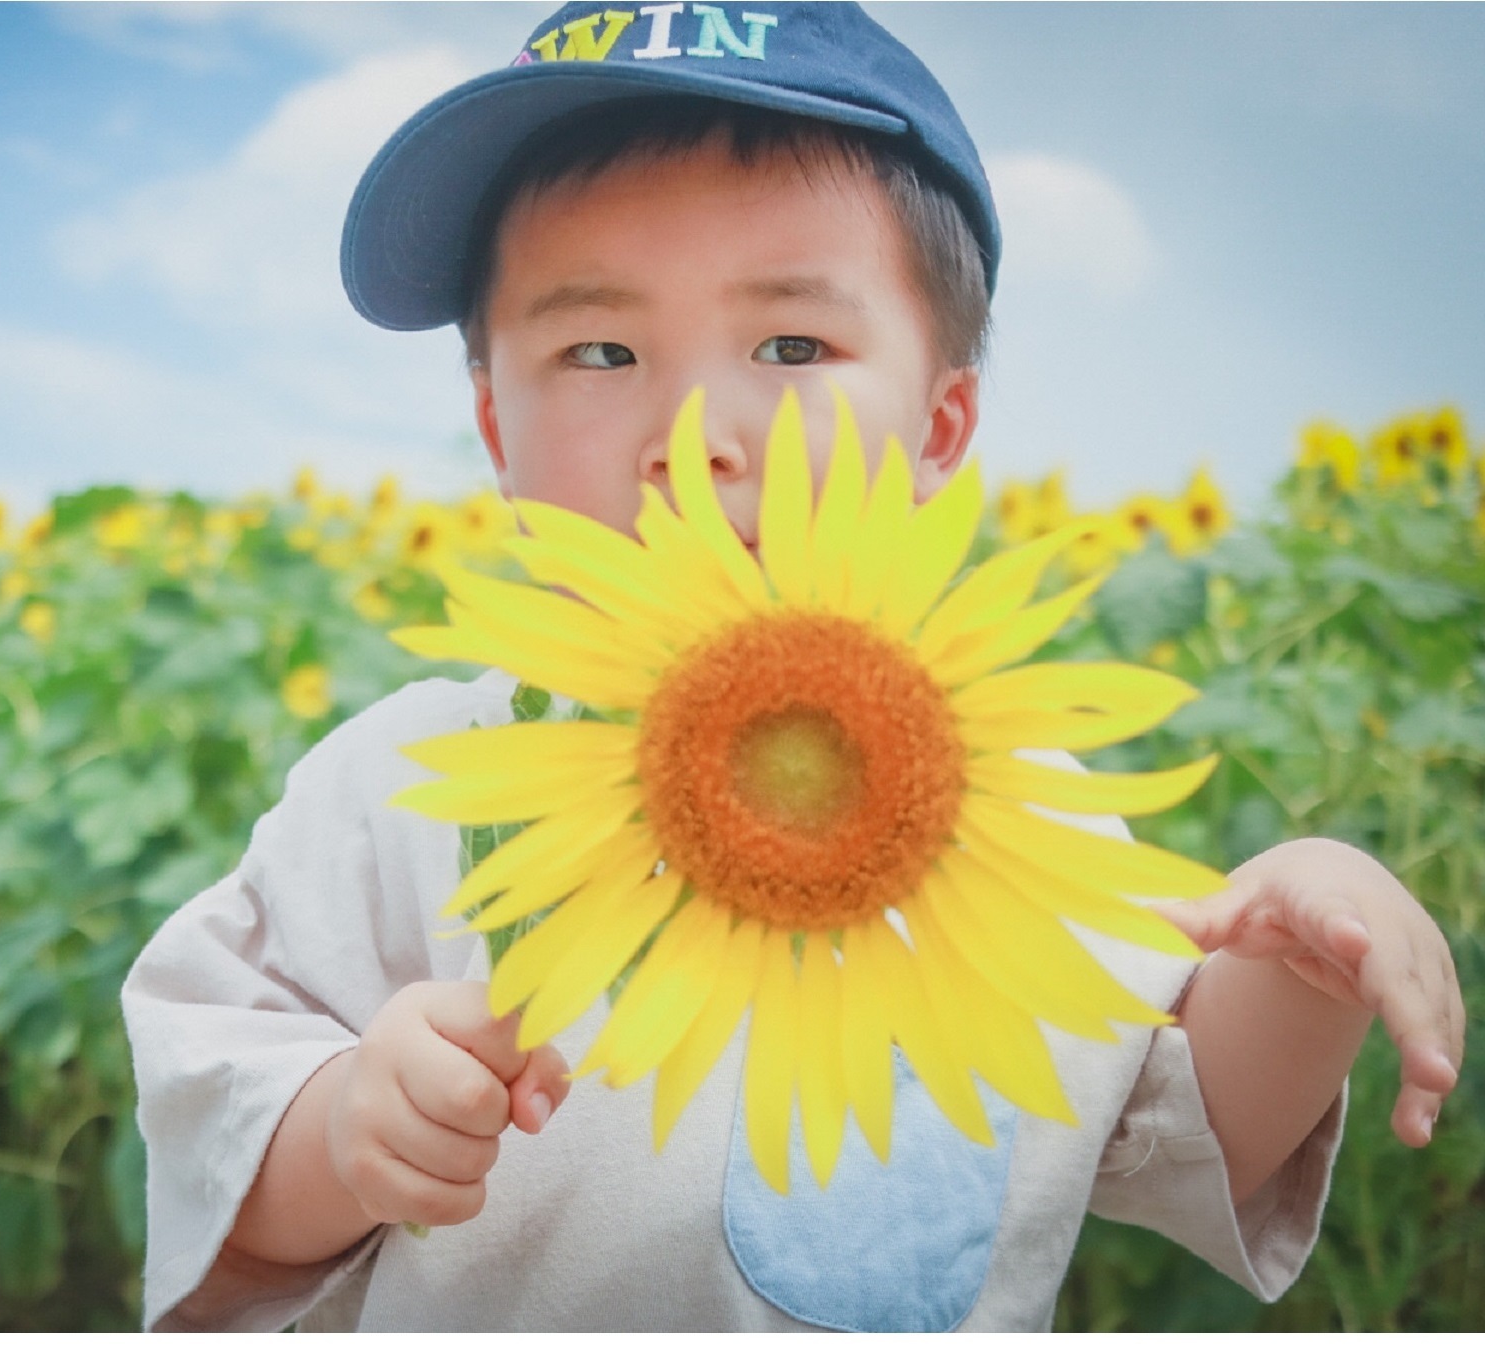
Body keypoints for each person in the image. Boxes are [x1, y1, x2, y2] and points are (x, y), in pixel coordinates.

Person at [121, 3, 1464, 1331]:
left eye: (791, 347)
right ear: (494, 428)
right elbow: (215, 1120)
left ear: (940, 428)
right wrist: (348, 1129)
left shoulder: (1019, 803)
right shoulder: (408, 788)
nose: (694, 433)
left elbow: (1180, 1125)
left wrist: (1297, 967)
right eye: (600, 350)